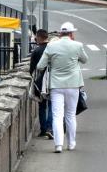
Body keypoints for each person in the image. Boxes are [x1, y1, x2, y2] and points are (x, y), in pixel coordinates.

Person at [36, 21, 88, 152]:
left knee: (57, 115)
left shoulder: (51, 46)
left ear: (60, 34)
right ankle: (71, 143)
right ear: (71, 34)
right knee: (70, 115)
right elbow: (85, 60)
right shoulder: (77, 45)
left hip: (56, 85)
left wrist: (51, 62)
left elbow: (40, 66)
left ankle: (58, 145)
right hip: (73, 85)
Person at [28, 29, 53, 138]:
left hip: (39, 83)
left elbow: (31, 69)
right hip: (52, 80)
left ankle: (43, 129)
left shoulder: (36, 51)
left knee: (42, 106)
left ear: (38, 37)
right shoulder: (52, 49)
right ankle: (50, 128)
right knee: (52, 105)